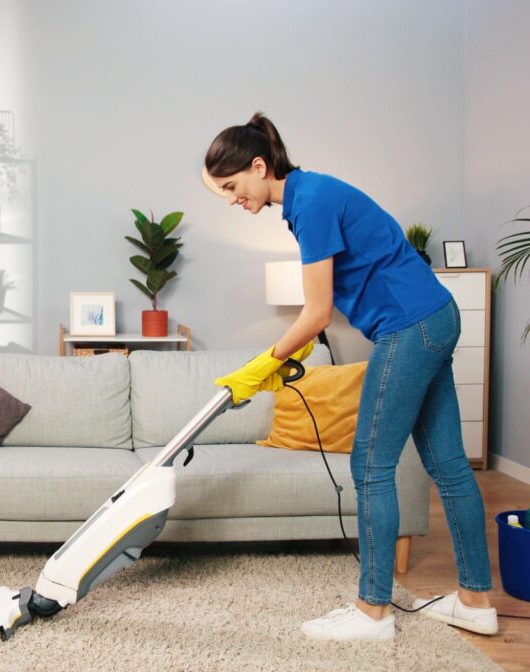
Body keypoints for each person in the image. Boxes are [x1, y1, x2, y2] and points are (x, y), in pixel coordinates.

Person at [203, 113, 497, 642]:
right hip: (434, 316)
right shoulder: (309, 196)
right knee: (449, 465)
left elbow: (317, 313)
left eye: (230, 186)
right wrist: (281, 358)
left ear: (258, 166)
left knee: (371, 466)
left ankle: (372, 613)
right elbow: (328, 302)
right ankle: (476, 602)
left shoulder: (311, 203)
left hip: (409, 326)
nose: (230, 198)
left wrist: (261, 365)